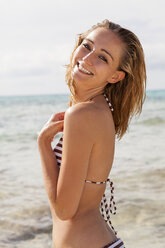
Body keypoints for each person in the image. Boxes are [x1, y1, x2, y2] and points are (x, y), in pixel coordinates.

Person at [37, 19, 146, 248]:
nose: (87, 58)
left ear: (115, 76)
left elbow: (65, 210)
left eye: (103, 57)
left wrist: (43, 145)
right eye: (87, 46)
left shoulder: (83, 114)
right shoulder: (99, 110)